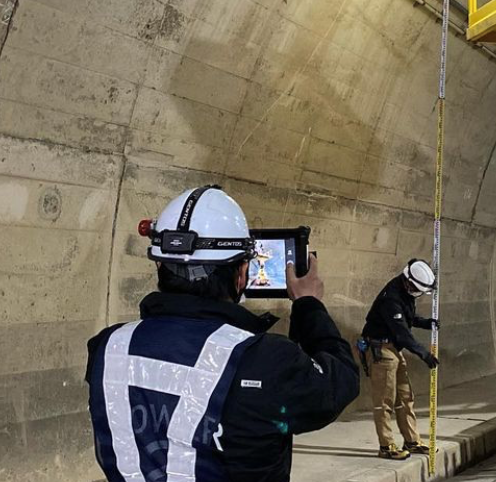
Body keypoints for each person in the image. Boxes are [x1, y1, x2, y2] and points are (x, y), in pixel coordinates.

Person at [85, 185, 359, 482]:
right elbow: (341, 380)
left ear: (160, 264)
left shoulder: (107, 347)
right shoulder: (267, 360)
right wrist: (309, 305)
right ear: (241, 274)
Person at [359, 259, 439, 460]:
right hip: (381, 349)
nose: (418, 293)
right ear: (409, 282)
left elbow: (407, 317)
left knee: (405, 397)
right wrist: (424, 354)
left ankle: (412, 441)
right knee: (384, 401)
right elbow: (402, 333)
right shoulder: (391, 299)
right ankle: (386, 446)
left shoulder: (404, 292)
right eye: (418, 290)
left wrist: (426, 323)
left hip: (393, 348)